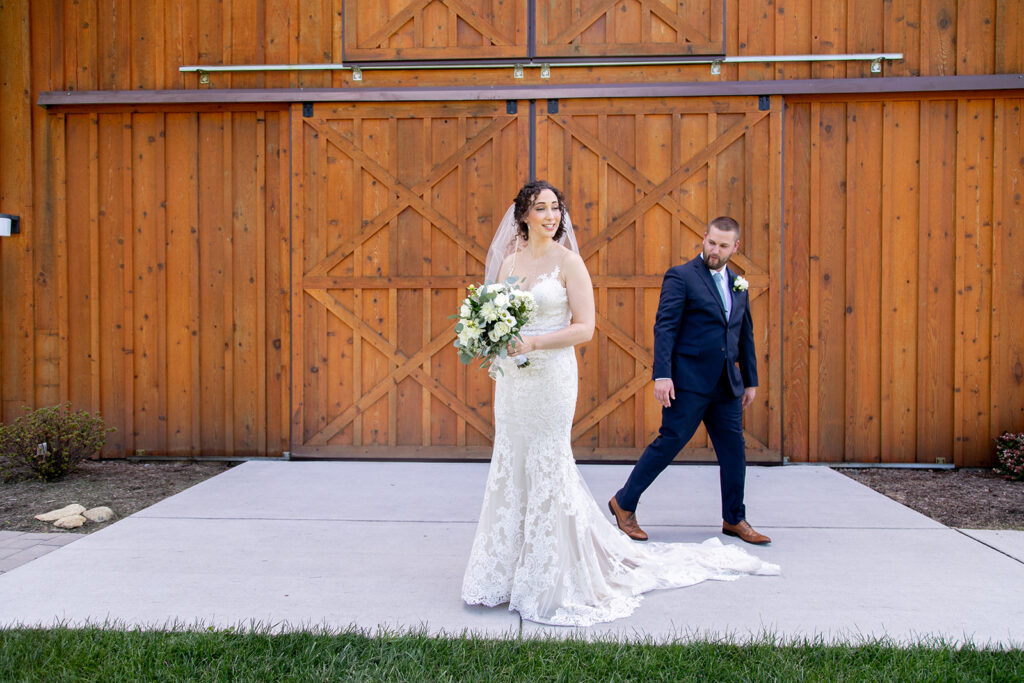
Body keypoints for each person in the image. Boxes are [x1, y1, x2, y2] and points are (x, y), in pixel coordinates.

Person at [461, 184, 779, 626]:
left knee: (549, 461)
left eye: (556, 208)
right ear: (523, 215)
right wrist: (489, 336)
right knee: (511, 462)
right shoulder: (510, 263)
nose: (551, 216)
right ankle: (509, 569)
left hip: (552, 378)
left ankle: (552, 573)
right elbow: (492, 314)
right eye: (541, 208)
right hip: (514, 382)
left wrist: (532, 341)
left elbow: (585, 328)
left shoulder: (569, 263)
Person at [609, 216, 771, 546]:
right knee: (669, 443)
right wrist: (662, 375)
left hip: (727, 384)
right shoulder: (681, 276)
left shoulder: (738, 283)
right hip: (689, 382)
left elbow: (745, 334)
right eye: (711, 242)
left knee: (734, 451)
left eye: (723, 246)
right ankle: (624, 503)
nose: (715, 250)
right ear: (704, 238)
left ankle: (734, 518)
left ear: (735, 247)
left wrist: (750, 380)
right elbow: (665, 327)